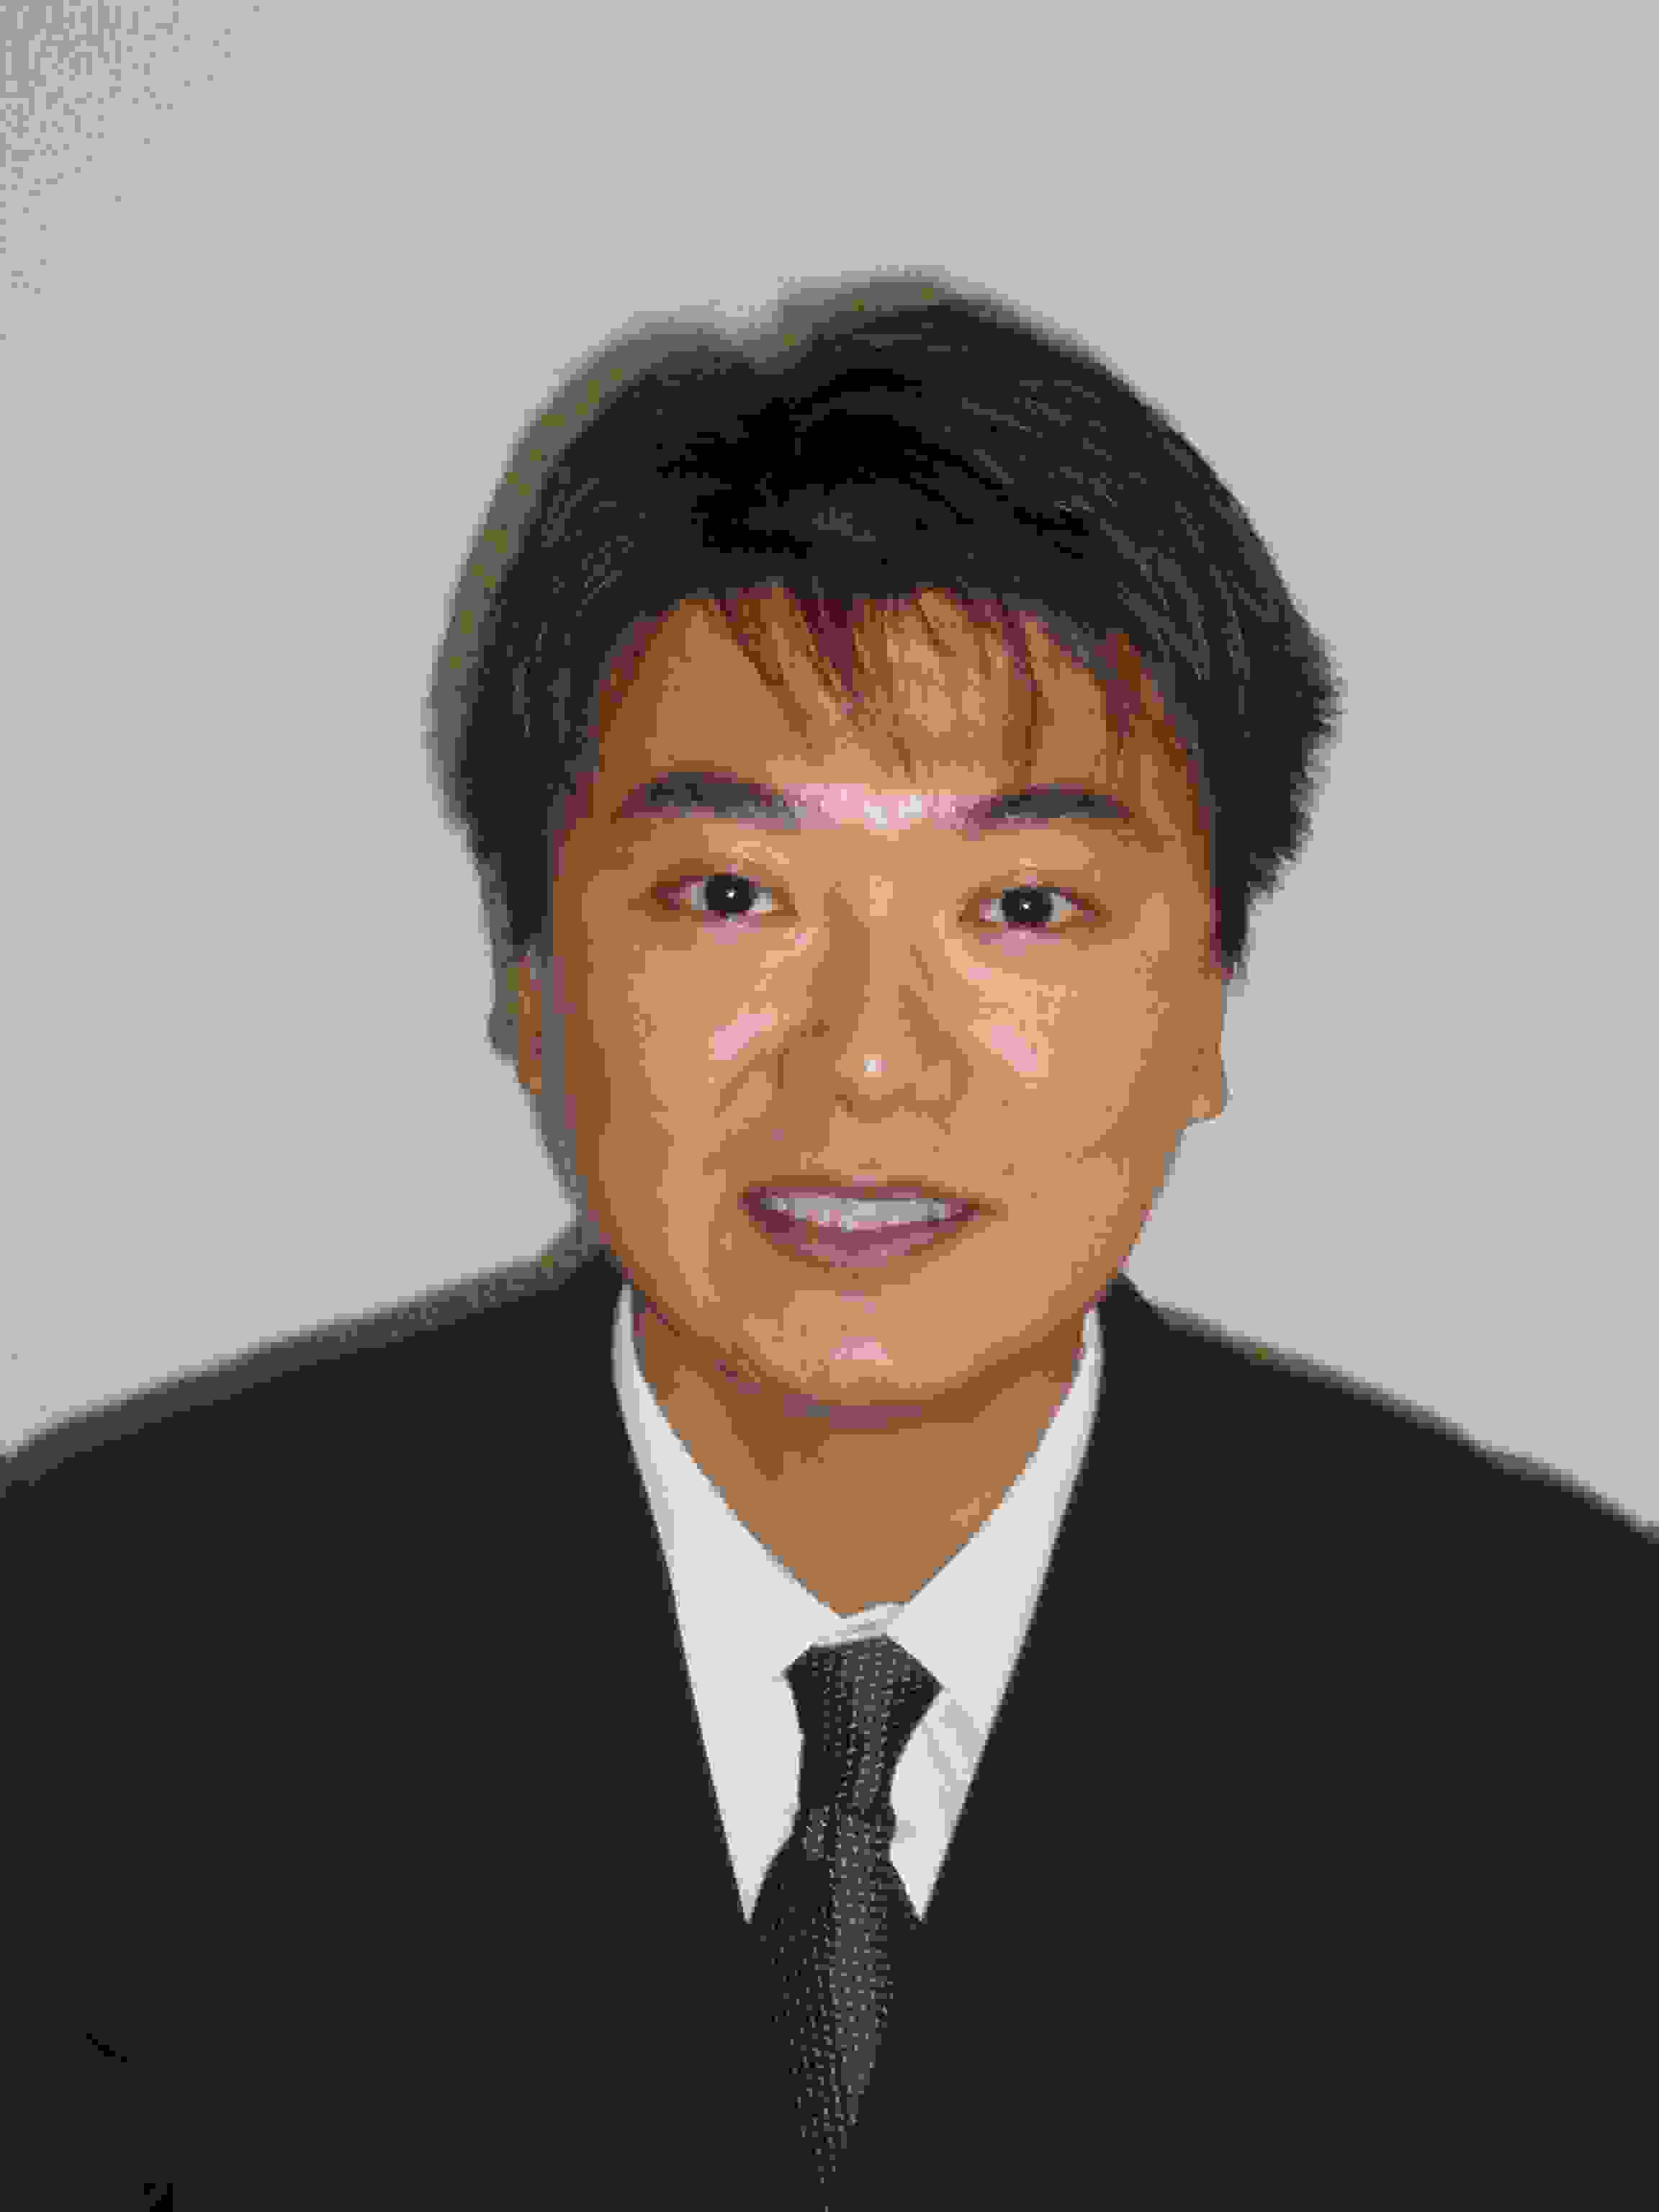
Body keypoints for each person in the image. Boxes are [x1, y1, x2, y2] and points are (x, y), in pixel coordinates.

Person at [4, 278, 1654, 2208]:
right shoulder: (93, 1661)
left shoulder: (1570, 1718)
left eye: (1024, 906)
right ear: (532, 983)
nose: (868, 1061)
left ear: (1209, 1008)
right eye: (730, 894)